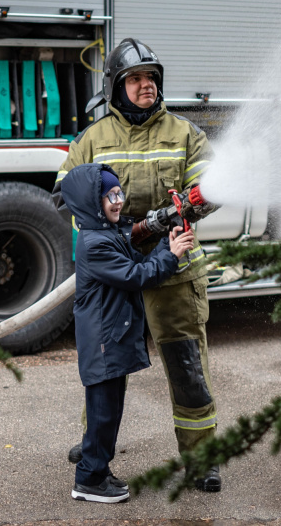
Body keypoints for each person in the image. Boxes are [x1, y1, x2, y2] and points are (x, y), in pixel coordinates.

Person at [52, 38, 223, 491]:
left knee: (187, 366)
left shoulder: (186, 134)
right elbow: (61, 192)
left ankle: (201, 457)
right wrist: (116, 231)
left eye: (151, 78)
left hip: (177, 273)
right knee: (106, 364)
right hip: (114, 274)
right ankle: (94, 447)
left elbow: (211, 188)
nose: (146, 86)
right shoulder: (93, 138)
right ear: (116, 86)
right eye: (135, 79)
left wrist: (181, 211)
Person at [61, 163, 194, 503]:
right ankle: (88, 480)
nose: (117, 201)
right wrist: (173, 256)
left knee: (108, 413)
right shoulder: (95, 244)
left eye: (119, 193)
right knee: (103, 415)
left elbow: (138, 260)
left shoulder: (109, 233)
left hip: (111, 339)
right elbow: (138, 275)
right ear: (92, 202)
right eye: (109, 196)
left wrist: (168, 244)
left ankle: (98, 471)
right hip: (104, 343)